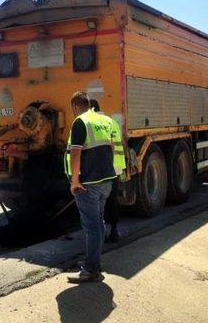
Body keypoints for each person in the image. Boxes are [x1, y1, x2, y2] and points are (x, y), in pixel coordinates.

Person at [65, 92, 117, 283]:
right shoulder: (104, 120)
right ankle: (94, 261)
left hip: (88, 184)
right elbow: (110, 148)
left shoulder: (80, 122)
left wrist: (75, 181)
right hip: (106, 181)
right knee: (99, 223)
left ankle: (91, 268)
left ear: (74, 106)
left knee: (92, 227)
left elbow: (76, 153)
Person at [89, 99, 126, 243]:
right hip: (116, 167)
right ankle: (114, 231)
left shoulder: (93, 123)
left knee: (100, 202)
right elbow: (120, 143)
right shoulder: (111, 122)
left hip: (103, 168)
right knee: (112, 199)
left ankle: (101, 233)